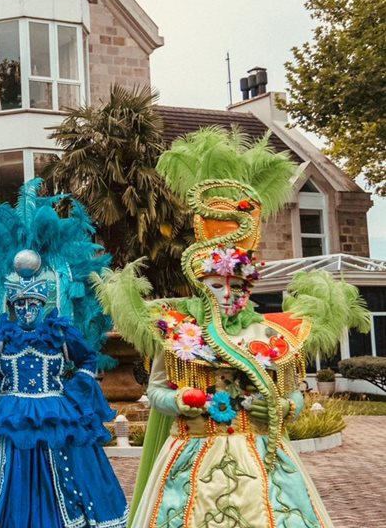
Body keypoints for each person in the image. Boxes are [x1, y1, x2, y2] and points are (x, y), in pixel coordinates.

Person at [98, 128, 370, 528]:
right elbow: (155, 390)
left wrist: (281, 407)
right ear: (199, 281)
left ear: (248, 286)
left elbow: (294, 395)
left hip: (261, 455)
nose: (226, 294)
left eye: (236, 285)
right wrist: (181, 400)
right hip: (193, 454)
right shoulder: (177, 329)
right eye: (215, 284)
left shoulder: (270, 335)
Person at [0, 180, 126, 528]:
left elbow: (87, 360)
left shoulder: (60, 334)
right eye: (22, 304)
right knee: (6, 467)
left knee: (64, 469)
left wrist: (77, 389)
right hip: (10, 411)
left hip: (55, 409)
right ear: (13, 305)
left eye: (33, 304)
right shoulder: (2, 337)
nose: (28, 310)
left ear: (43, 304)